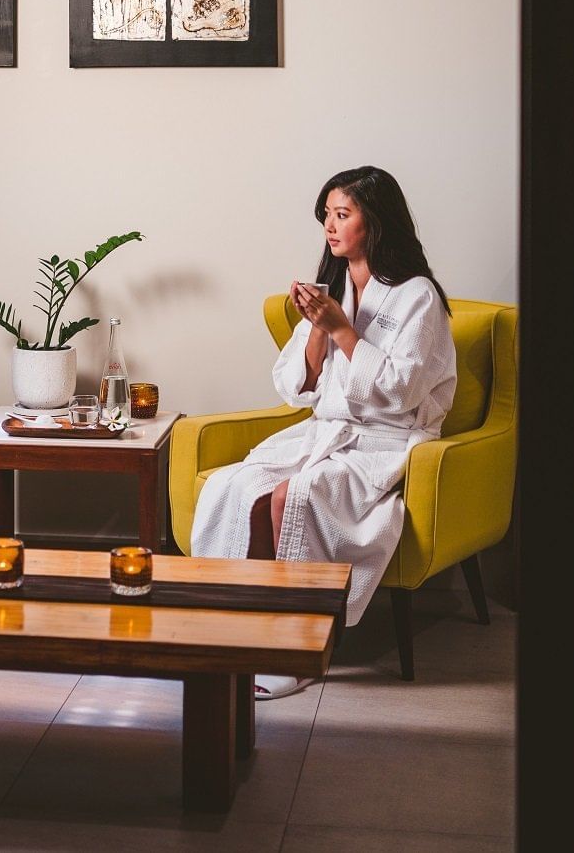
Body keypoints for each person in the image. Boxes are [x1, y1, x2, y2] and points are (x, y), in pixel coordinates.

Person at [189, 166, 457, 700]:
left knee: (296, 494)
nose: (330, 228)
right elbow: (298, 385)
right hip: (325, 433)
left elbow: (401, 390)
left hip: (386, 442)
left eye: (342, 215)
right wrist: (317, 327)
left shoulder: (417, 297)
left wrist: (340, 328)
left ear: (375, 223)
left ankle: (300, 648)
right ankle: (244, 632)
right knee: (235, 487)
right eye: (327, 217)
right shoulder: (331, 288)